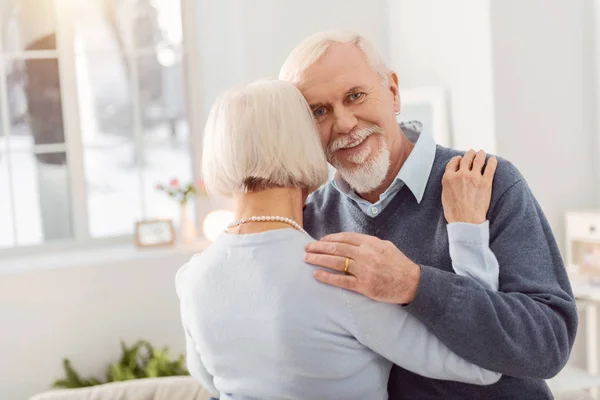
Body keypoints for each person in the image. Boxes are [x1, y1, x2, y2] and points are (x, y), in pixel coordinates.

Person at [278, 30, 578, 399]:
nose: (343, 123)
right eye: (319, 111)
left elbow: (548, 345)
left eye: (354, 96)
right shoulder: (310, 219)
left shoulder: (489, 181)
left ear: (393, 93)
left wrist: (414, 284)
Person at [175, 79, 503, 400]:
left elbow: (210, 380)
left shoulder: (192, 278)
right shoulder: (338, 274)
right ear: (306, 144)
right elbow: (482, 364)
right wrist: (466, 232)